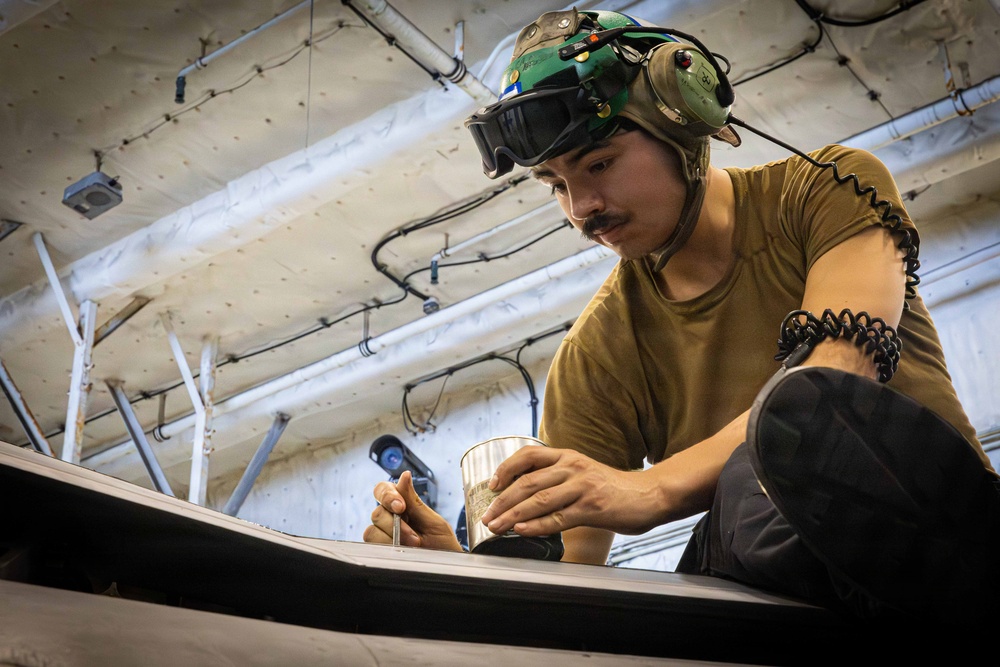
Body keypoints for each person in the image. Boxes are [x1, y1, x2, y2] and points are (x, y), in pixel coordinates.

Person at [363, 9, 999, 623]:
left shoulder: (822, 191)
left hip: (950, 550)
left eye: (599, 164)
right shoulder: (597, 353)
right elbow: (567, 581)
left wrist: (648, 490)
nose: (582, 206)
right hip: (781, 615)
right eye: (555, 186)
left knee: (776, 451)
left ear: (682, 119)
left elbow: (837, 377)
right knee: (733, 518)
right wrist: (463, 574)